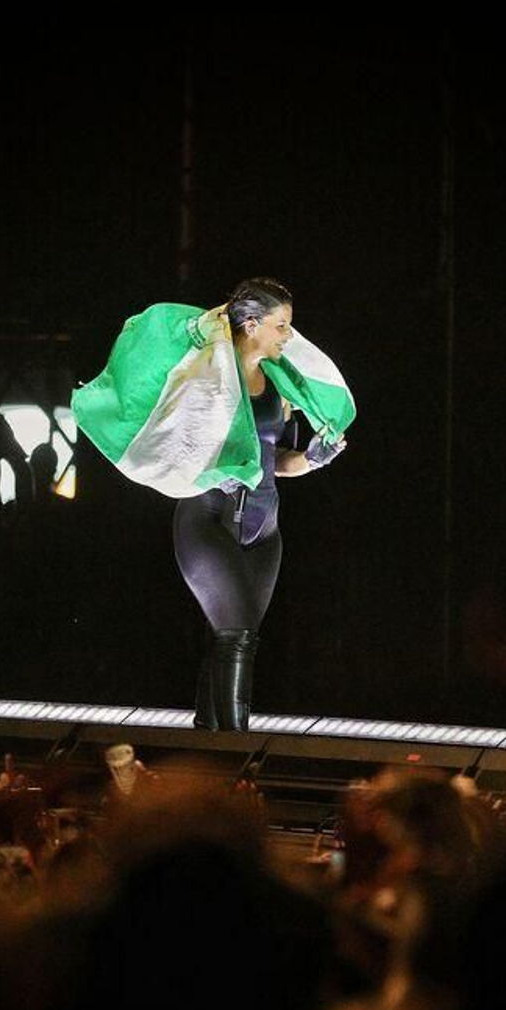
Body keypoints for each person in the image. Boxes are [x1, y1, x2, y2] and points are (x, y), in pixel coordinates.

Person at [70, 278, 355, 732]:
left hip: (265, 529)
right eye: (281, 325)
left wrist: (313, 459)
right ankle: (237, 746)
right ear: (251, 324)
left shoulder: (278, 385)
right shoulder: (207, 379)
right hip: (208, 519)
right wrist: (210, 469)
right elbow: (179, 446)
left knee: (231, 638)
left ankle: (210, 738)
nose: (288, 336)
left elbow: (275, 462)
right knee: (235, 635)